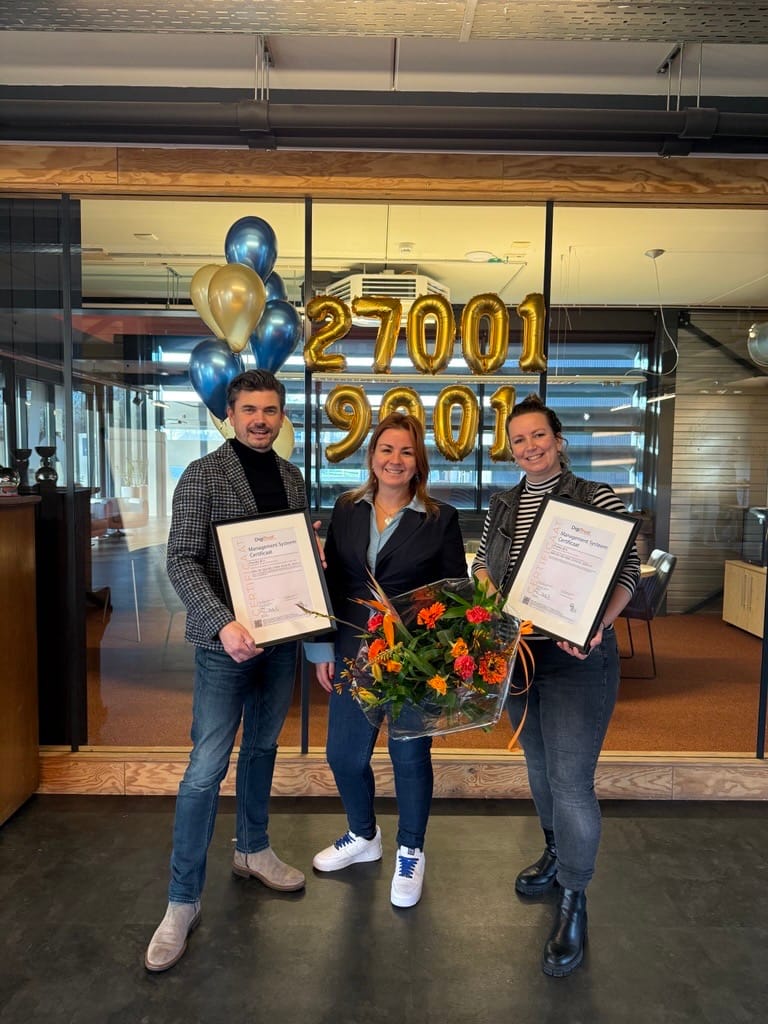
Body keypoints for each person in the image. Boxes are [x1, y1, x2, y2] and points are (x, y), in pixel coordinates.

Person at [145, 369, 308, 973]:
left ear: (281, 416)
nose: (260, 420)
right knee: (205, 769)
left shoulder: (292, 477)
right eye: (249, 410)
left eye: (270, 410)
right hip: (225, 646)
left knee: (262, 749)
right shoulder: (202, 474)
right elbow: (181, 559)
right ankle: (181, 900)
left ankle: (253, 849)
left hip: (280, 643)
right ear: (230, 416)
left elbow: (287, 557)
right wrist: (222, 624)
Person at [472, 394, 640, 978]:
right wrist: (492, 605)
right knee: (539, 768)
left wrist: (598, 624)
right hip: (520, 658)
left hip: (577, 658)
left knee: (570, 783)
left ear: (559, 440)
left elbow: (627, 572)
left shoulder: (595, 497)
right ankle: (554, 850)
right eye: (518, 440)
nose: (530, 447)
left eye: (538, 435)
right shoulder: (503, 503)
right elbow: (482, 566)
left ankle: (574, 897)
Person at [306, 412, 467, 908]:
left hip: (414, 658)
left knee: (409, 757)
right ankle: (363, 835)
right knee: (343, 755)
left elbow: (455, 594)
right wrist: (321, 647)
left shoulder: (441, 518)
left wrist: (443, 660)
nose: (395, 460)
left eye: (406, 451)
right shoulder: (347, 508)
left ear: (419, 462)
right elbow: (332, 583)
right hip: (353, 651)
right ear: (371, 455)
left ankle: (410, 850)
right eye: (386, 449)